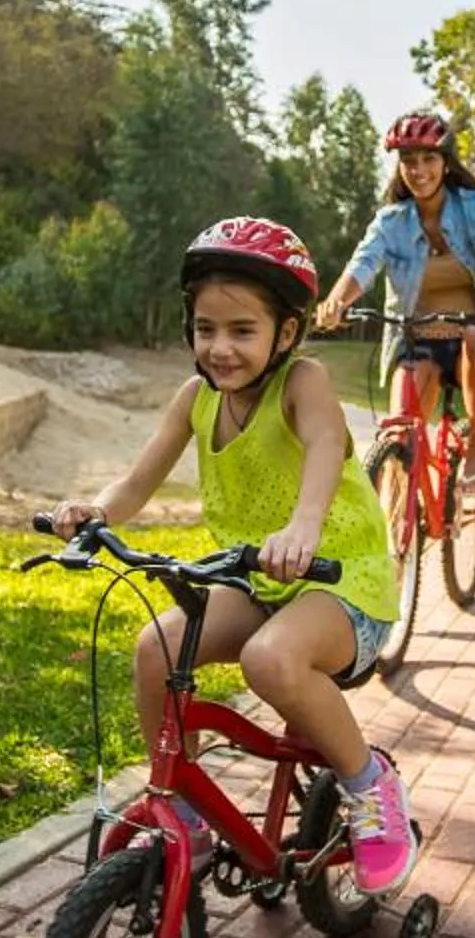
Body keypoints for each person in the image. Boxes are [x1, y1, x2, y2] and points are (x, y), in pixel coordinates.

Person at [41, 216, 420, 894]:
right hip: (258, 577)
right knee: (157, 646)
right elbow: (135, 482)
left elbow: (328, 451)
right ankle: (181, 808)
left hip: (343, 584)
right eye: (205, 328)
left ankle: (371, 788)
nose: (219, 348)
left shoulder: (303, 385)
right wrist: (95, 512)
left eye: (242, 331)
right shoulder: (194, 399)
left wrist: (303, 529)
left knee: (268, 659)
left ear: (288, 333)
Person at [315, 110, 475, 502]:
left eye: (428, 159)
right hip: (418, 342)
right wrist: (334, 302)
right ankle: (397, 543)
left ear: (446, 163)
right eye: (409, 161)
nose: (419, 170)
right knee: (400, 436)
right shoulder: (391, 221)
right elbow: (362, 265)